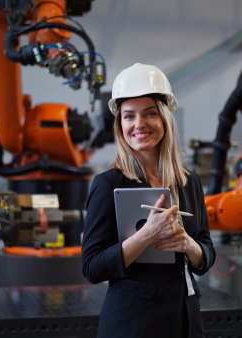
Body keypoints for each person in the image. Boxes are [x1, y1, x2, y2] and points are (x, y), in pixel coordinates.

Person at [81, 63, 216, 338]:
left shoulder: (188, 182)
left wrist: (189, 245)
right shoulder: (108, 184)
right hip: (134, 323)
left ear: (165, 118)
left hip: (185, 319)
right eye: (129, 116)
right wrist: (147, 235)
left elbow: (206, 250)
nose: (139, 124)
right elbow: (92, 267)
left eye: (149, 113)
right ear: (120, 125)